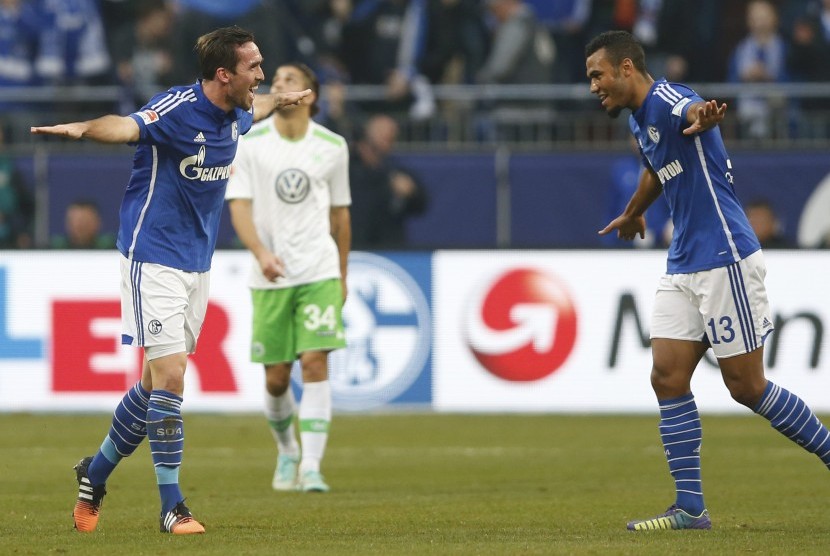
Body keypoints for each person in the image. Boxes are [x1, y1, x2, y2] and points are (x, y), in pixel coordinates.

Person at [31, 26, 312, 535]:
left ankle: (93, 475)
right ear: (224, 74)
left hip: (196, 261)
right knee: (173, 376)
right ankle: (171, 506)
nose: (262, 75)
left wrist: (281, 98)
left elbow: (261, 108)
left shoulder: (240, 110)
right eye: (254, 67)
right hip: (151, 253)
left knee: (151, 382)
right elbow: (127, 125)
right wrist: (83, 128)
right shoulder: (177, 109)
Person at [586, 30, 830, 531]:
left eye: (597, 75)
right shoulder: (637, 118)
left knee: (747, 386)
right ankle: (691, 509)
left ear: (626, 67)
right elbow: (658, 167)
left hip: (724, 256)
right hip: (683, 263)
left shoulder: (668, 99)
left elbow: (691, 111)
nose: (593, 86)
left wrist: (705, 117)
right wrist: (633, 213)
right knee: (667, 377)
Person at [226, 62, 350, 494]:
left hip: (318, 270)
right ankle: (287, 451)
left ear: (310, 94)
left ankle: (312, 466)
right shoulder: (250, 142)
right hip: (271, 276)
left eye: (288, 81)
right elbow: (238, 205)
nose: (277, 85)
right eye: (274, 81)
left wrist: (343, 274)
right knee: (276, 377)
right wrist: (261, 253)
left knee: (315, 363)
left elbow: (340, 215)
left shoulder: (333, 146)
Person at [349, 114, 428, 249]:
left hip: (389, 251)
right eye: (383, 132)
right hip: (353, 247)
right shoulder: (347, 166)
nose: (389, 137)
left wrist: (411, 192)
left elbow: (421, 204)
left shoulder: (395, 170)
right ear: (368, 132)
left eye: (392, 134)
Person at [50, 200, 116, 249]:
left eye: (86, 221)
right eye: (76, 221)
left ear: (98, 222)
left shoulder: (110, 248)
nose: (81, 226)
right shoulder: (55, 249)